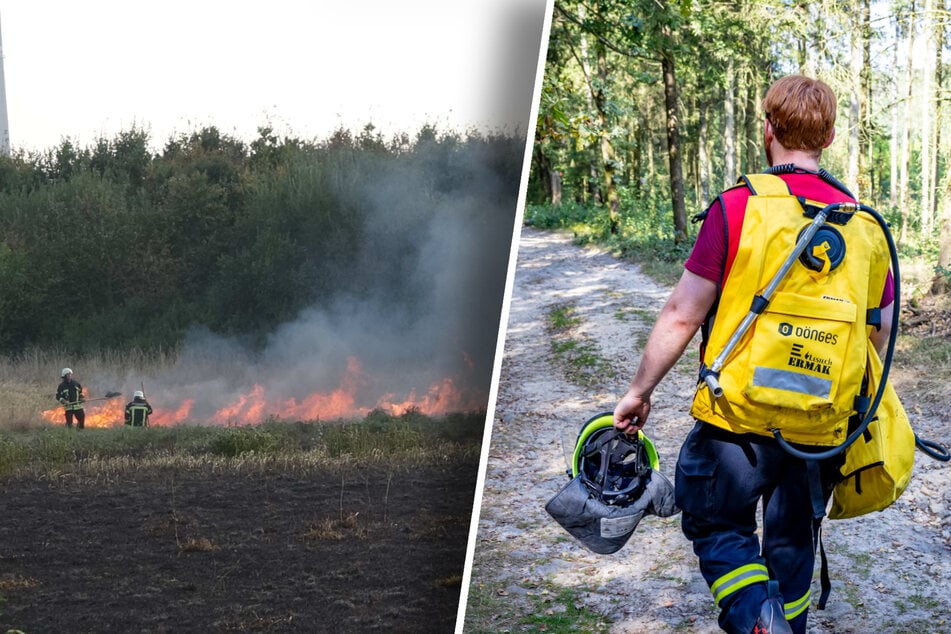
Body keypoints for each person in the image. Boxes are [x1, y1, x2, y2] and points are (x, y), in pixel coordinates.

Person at [613, 75, 894, 634]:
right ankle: (783, 621)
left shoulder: (738, 207)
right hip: (820, 427)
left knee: (716, 525)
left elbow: (682, 313)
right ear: (830, 137)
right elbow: (879, 331)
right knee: (792, 544)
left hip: (734, 422)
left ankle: (752, 618)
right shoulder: (866, 228)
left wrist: (640, 391)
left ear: (768, 130)